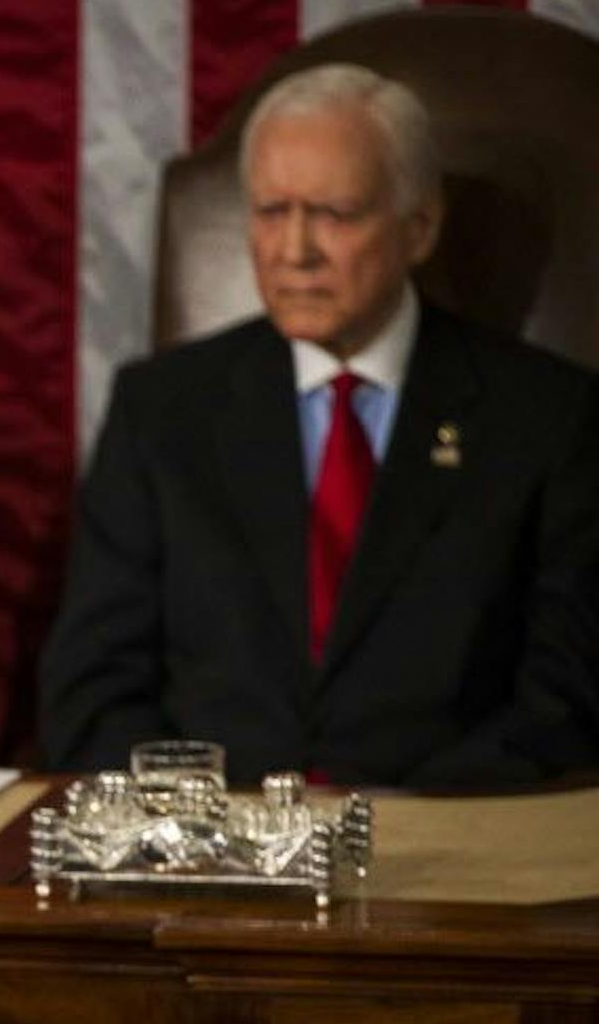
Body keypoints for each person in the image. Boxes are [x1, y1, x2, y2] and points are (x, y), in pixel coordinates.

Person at [40, 63, 599, 788]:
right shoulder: (161, 411)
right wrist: (206, 828)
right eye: (271, 212)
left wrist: (401, 826)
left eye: (333, 214)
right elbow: (90, 687)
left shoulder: (546, 417)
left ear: (419, 227)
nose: (294, 251)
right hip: (206, 857)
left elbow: (567, 698)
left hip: (444, 856)